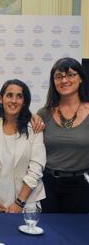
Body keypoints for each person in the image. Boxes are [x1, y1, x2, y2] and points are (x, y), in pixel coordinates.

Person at [0, 79, 46, 213]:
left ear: (24, 102)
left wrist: (19, 203)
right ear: (1, 99)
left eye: (19, 96)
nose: (13, 100)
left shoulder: (35, 129)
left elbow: (36, 169)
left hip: (27, 203)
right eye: (9, 95)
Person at [38, 57, 89, 213]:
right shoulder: (44, 113)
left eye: (71, 74)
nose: (64, 80)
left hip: (80, 186)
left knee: (76, 233)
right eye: (59, 76)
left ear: (80, 78)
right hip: (47, 184)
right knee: (49, 231)